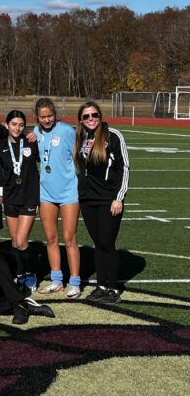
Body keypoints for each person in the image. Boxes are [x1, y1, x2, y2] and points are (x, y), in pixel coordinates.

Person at [75, 101, 129, 305]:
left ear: (100, 115)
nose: (91, 119)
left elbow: (124, 167)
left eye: (94, 115)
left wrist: (119, 197)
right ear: (81, 119)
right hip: (87, 199)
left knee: (107, 243)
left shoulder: (112, 135)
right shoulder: (80, 136)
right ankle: (101, 285)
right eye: (86, 116)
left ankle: (114, 288)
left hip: (109, 199)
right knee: (98, 244)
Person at [31, 98, 82, 299]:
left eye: (50, 116)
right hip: (46, 193)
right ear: (37, 117)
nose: (46, 120)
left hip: (69, 191)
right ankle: (57, 280)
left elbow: (78, 157)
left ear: (55, 114)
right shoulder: (35, 133)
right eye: (42, 117)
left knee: (69, 239)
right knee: (51, 238)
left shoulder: (66, 131)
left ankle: (75, 282)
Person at [0, 110, 40, 292]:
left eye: (21, 125)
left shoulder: (31, 141)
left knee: (22, 240)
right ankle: (20, 273)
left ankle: (30, 273)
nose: (17, 128)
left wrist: (38, 136)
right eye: (14, 124)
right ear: (7, 125)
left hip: (29, 196)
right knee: (14, 240)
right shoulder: (0, 146)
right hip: (10, 197)